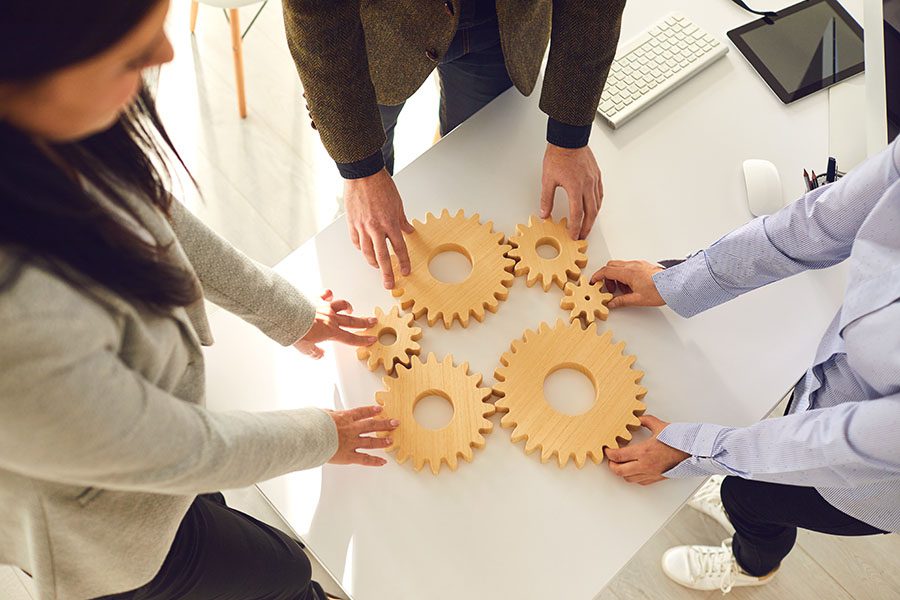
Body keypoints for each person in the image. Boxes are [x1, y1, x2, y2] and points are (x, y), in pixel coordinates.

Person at [0, 2, 398, 599]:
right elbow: (186, 450)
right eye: (131, 53)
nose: (166, 54)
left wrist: (287, 313)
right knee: (285, 569)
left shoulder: (55, 127)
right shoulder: (21, 335)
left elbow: (157, 215)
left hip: (157, 456)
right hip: (111, 540)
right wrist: (326, 434)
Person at [591, 137, 900, 592]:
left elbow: (845, 444)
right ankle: (740, 484)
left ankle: (752, 565)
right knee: (754, 464)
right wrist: (677, 282)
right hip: (838, 393)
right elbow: (818, 224)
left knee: (751, 497)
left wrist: (699, 451)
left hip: (870, 484)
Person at [282, 0, 626, 289]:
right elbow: (315, 13)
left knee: (471, 164)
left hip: (501, 25)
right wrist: (360, 171)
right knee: (371, 179)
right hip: (375, 34)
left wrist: (569, 137)